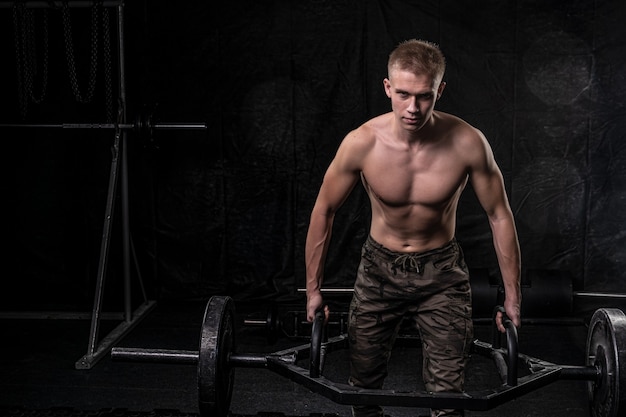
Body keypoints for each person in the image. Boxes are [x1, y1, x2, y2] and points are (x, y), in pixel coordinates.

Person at [304, 39, 522, 417]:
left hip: (442, 273)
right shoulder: (362, 143)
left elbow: (500, 215)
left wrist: (514, 299)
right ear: (388, 87)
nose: (413, 107)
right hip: (378, 271)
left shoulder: (468, 143)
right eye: (403, 93)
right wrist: (312, 292)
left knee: (448, 391)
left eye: (424, 96)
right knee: (363, 385)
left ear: (440, 90)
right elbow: (324, 210)